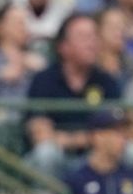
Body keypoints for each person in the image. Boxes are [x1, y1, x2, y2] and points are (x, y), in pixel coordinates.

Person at [25, 13, 120, 177]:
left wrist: (70, 139)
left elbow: (115, 131)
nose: (92, 43)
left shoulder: (107, 81)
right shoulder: (44, 80)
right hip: (58, 156)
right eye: (84, 37)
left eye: (94, 36)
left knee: (129, 150)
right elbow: (39, 133)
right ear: (63, 46)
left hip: (95, 155)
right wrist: (89, 138)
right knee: (46, 153)